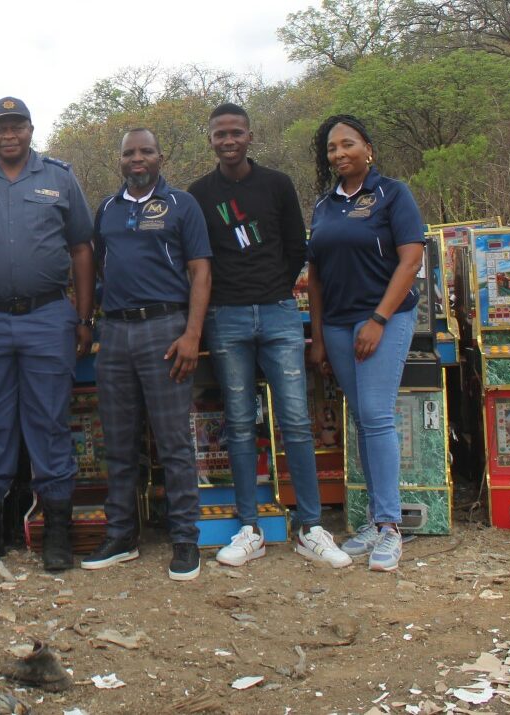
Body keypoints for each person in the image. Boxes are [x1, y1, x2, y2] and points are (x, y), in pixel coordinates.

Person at [186, 103, 352, 571]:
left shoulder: (276, 184)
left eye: (236, 132)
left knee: (296, 419)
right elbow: (198, 257)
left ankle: (311, 527)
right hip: (226, 318)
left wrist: (274, 289)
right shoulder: (198, 194)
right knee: (239, 423)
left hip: (278, 313)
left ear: (250, 136)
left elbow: (296, 245)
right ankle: (248, 527)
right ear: (211, 140)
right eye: (220, 134)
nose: (229, 140)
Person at [0, 97, 95, 573]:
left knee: (49, 425)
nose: (9, 135)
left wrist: (85, 318)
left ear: (31, 129)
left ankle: (57, 535)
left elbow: (82, 251)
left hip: (47, 317)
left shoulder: (59, 178)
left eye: (17, 126)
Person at [76, 127, 210, 580]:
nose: (137, 159)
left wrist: (192, 334)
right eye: (129, 152)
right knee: (118, 441)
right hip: (115, 333)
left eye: (146, 151)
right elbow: (95, 269)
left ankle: (185, 540)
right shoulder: (108, 210)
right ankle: (121, 536)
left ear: (159, 155)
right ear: (120, 159)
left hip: (166, 329)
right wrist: (89, 322)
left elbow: (200, 272)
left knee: (173, 441)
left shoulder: (182, 206)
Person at [305, 115, 426, 573]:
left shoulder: (392, 194)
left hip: (383, 318)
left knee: (376, 416)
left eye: (347, 144)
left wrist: (378, 319)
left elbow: (410, 260)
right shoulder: (324, 205)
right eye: (332, 148)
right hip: (336, 324)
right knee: (361, 419)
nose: (339, 154)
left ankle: (391, 527)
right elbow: (315, 278)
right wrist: (318, 336)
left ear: (368, 148)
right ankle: (374, 523)